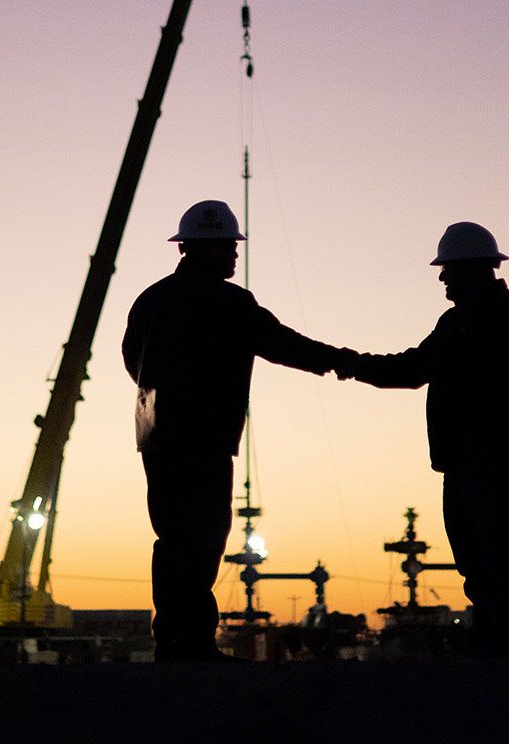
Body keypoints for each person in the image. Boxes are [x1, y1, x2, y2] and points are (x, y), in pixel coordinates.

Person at [122, 199, 352, 662]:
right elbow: (282, 343)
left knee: (172, 540)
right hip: (204, 439)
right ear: (205, 248)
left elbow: (133, 359)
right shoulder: (228, 302)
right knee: (204, 538)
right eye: (229, 246)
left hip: (158, 439)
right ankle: (194, 646)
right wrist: (341, 361)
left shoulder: (150, 299)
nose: (235, 255)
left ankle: (172, 641)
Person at [339, 221, 509, 658]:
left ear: (472, 269)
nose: (442, 277)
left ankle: (506, 642)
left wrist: (352, 364)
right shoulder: (458, 320)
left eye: (448, 269)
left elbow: (416, 368)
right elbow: (415, 366)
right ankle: (493, 636)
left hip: (492, 454)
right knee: (473, 554)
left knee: (497, 550)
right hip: (461, 457)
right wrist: (356, 364)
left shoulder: (503, 314)